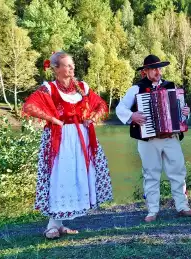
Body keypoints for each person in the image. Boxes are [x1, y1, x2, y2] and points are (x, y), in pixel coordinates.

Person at [22, 51, 113, 239]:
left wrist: (92, 119)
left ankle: (57, 224)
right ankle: (52, 225)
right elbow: (30, 106)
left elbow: (100, 105)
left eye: (72, 65)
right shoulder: (49, 88)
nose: (71, 68)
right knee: (59, 176)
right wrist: (53, 119)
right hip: (60, 137)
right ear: (56, 68)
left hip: (81, 137)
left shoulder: (82, 87)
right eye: (67, 65)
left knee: (74, 175)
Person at [116, 55, 191, 223]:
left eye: (159, 68)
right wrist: (133, 115)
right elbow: (120, 109)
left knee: (178, 171)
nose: (158, 72)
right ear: (145, 72)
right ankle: (152, 210)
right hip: (148, 139)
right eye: (154, 69)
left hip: (170, 137)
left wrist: (185, 113)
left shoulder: (171, 86)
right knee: (151, 173)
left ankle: (182, 206)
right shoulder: (137, 89)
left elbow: (181, 114)